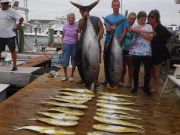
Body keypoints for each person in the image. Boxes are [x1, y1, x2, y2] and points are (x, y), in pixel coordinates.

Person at [102, 0, 129, 86]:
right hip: (108, 41)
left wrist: (119, 41)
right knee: (107, 61)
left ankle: (118, 80)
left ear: (119, 6)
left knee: (118, 62)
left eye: (117, 5)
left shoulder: (124, 19)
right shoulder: (108, 18)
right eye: (114, 5)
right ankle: (107, 79)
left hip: (119, 42)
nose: (116, 7)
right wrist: (111, 28)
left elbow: (125, 31)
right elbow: (107, 30)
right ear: (112, 6)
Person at [129, 11, 154, 96]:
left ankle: (146, 88)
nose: (143, 21)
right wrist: (148, 32)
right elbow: (133, 29)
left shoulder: (149, 26)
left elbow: (150, 39)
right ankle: (135, 87)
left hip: (147, 52)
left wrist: (142, 33)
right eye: (142, 20)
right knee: (136, 70)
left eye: (144, 19)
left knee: (147, 71)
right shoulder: (135, 25)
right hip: (136, 52)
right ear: (138, 19)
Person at [78, 9, 104, 86]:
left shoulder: (97, 19)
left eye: (83, 12)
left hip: (94, 43)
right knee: (83, 61)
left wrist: (98, 37)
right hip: (84, 44)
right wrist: (84, 18)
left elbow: (102, 28)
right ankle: (84, 78)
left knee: (96, 61)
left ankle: (96, 79)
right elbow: (79, 29)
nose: (82, 13)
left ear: (88, 11)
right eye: (81, 12)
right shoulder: (81, 20)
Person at [148, 9, 172, 92]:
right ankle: (149, 83)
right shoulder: (148, 25)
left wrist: (163, 44)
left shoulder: (160, 27)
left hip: (158, 51)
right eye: (149, 17)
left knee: (156, 68)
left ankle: (155, 85)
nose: (150, 18)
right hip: (150, 50)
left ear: (157, 18)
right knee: (151, 68)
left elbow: (169, 36)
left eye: (152, 17)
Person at [0, 0, 24, 71]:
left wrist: (18, 26)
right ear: (0, 4)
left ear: (8, 4)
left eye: (5, 4)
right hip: (0, 36)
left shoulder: (12, 11)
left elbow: (21, 18)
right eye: (2, 4)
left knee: (12, 51)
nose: (3, 5)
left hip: (10, 35)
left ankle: (14, 66)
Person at [61, 13, 79, 81]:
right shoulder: (65, 26)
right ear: (67, 19)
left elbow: (78, 35)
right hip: (66, 44)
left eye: (72, 17)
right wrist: (62, 44)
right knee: (64, 60)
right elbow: (63, 36)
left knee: (74, 61)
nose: (71, 19)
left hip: (74, 45)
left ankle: (71, 76)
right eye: (69, 18)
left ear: (74, 18)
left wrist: (78, 44)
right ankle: (65, 76)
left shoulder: (77, 26)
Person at [121, 12, 136, 88]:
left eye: (133, 19)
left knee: (130, 66)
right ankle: (122, 80)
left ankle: (130, 81)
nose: (132, 20)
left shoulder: (136, 27)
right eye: (130, 19)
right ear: (128, 19)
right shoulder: (125, 26)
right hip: (123, 48)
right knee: (123, 66)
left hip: (131, 49)